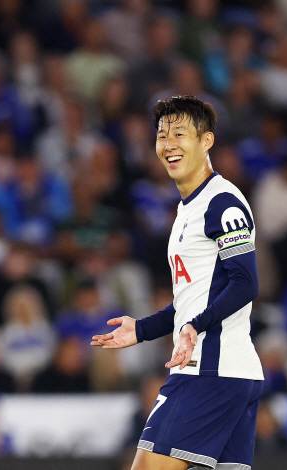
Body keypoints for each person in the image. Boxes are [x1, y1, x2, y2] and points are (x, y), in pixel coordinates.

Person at [92, 95, 263, 470]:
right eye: (161, 136)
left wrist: (195, 326)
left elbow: (246, 283)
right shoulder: (188, 209)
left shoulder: (223, 202)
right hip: (230, 373)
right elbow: (193, 299)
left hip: (208, 370)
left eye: (180, 134)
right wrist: (142, 328)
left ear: (207, 141)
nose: (168, 145)